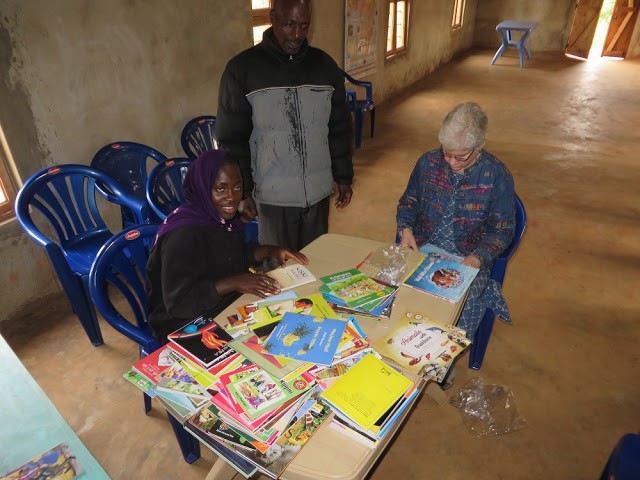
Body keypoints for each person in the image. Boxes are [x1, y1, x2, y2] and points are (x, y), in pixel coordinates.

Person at [216, 0, 353, 252]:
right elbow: (231, 139)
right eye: (289, 24)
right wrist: (243, 191)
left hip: (317, 193)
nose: (297, 35)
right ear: (272, 17)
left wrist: (343, 175)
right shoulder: (242, 70)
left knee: (315, 265)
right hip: (272, 199)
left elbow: (338, 127)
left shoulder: (324, 66)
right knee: (279, 274)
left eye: (304, 26)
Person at [396, 102, 515, 387]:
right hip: (424, 243)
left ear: (480, 147)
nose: (449, 162)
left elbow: (503, 230)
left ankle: (441, 358)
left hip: (468, 255)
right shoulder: (427, 162)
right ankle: (406, 347)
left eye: (460, 157)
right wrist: (406, 228)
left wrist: (478, 258)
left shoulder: (496, 175)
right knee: (394, 283)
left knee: (469, 296)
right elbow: (408, 202)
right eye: (445, 153)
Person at [145, 150, 309, 342]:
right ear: (203, 188)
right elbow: (179, 305)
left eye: (237, 187)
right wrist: (234, 282)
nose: (232, 197)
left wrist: (268, 251)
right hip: (182, 324)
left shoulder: (219, 219)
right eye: (220, 189)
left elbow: (228, 256)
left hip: (221, 305)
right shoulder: (183, 236)